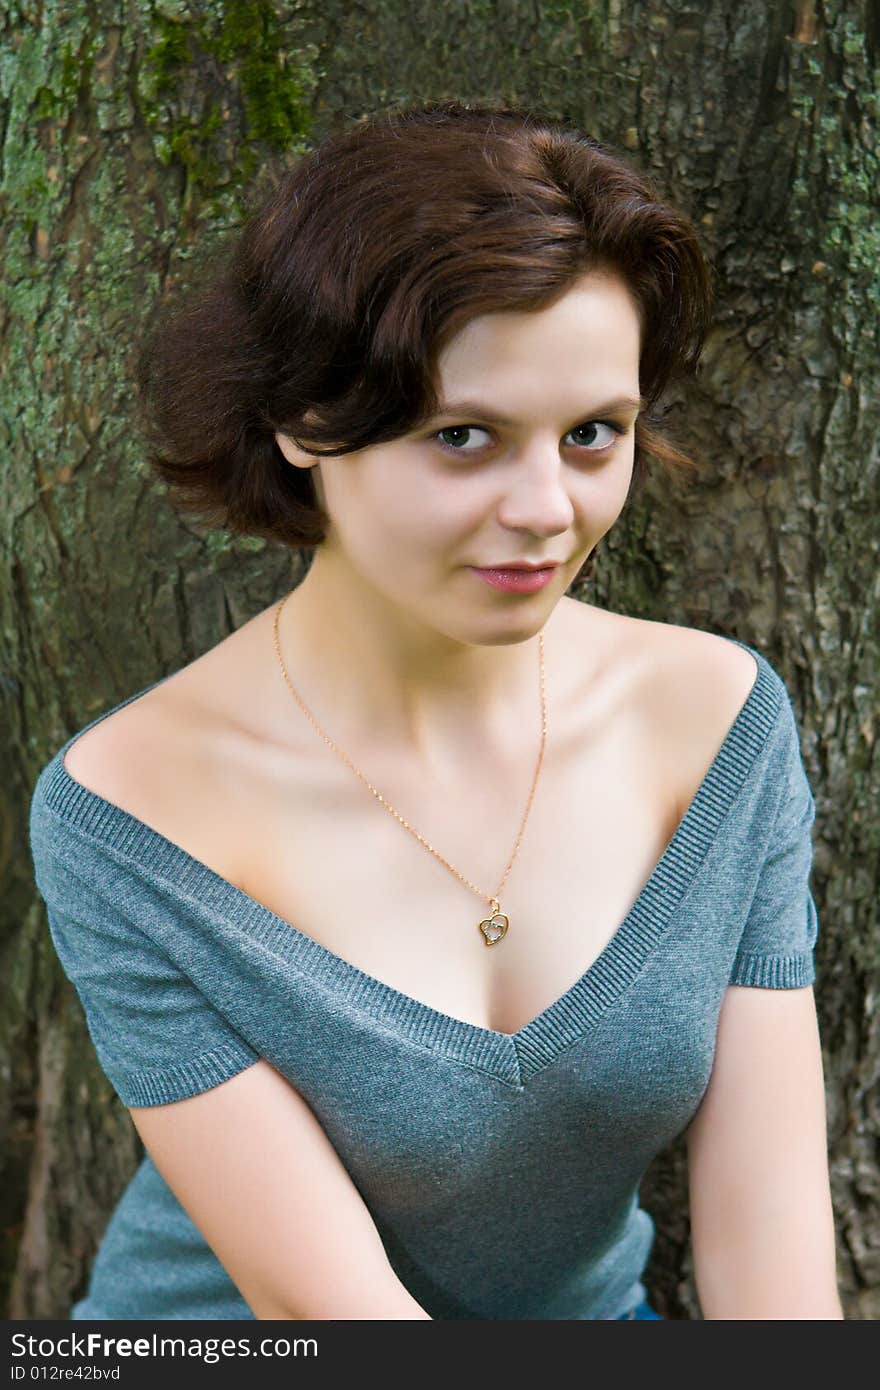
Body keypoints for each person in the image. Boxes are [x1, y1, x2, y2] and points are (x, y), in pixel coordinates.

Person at [28, 100, 843, 1321]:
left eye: (591, 435)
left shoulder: (716, 729)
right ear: (306, 419)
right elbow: (331, 1312)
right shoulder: (133, 808)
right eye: (464, 436)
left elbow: (769, 1265)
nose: (545, 510)